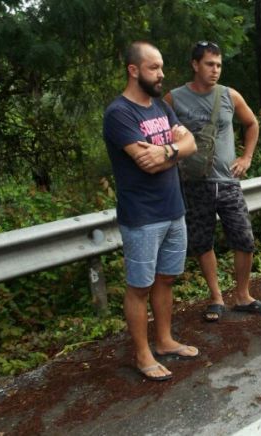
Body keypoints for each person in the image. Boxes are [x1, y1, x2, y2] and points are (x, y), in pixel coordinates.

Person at [102, 41, 199, 382]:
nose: (161, 74)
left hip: (174, 209)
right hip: (142, 216)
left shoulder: (160, 107)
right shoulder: (119, 114)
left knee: (166, 279)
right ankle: (142, 354)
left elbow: (191, 144)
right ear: (133, 70)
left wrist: (167, 151)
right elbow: (147, 165)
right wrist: (174, 151)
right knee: (139, 287)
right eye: (153, 68)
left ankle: (165, 340)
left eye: (161, 67)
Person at [164, 41, 261, 322]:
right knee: (202, 242)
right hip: (193, 183)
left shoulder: (229, 95)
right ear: (195, 65)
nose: (215, 70)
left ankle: (243, 295)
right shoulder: (173, 99)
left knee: (244, 238)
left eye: (219, 65)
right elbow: (162, 136)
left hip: (227, 181)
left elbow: (252, 124)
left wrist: (247, 158)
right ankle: (216, 297)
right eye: (210, 64)